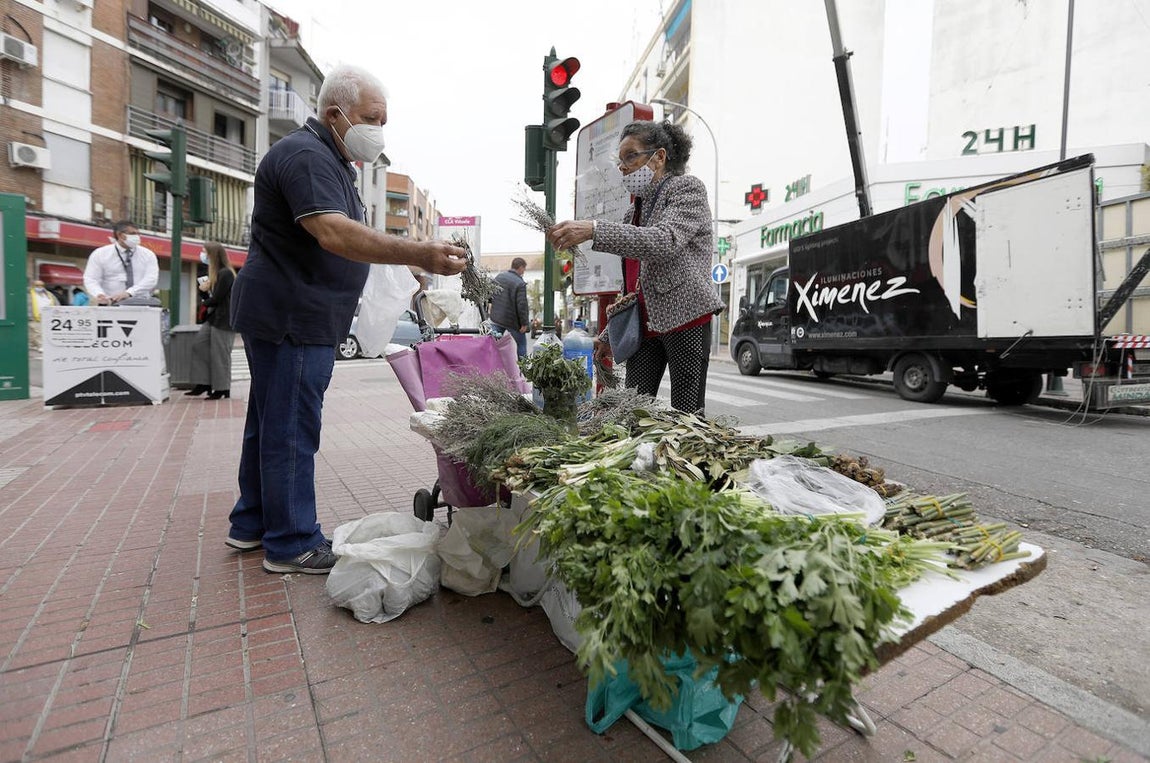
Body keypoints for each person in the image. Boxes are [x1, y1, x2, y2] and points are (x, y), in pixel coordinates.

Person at [227, 63, 468, 575]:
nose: (378, 130)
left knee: (270, 421)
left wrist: (402, 262)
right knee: (291, 426)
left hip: (292, 311)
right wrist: (420, 252)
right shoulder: (307, 155)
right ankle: (291, 542)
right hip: (294, 314)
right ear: (335, 114)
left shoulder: (331, 161)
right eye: (371, 118)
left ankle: (251, 524)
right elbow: (335, 233)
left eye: (384, 120)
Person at [548, 120, 724, 415]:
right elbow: (634, 285)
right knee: (632, 413)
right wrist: (607, 336)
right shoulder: (636, 209)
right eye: (621, 161)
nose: (623, 167)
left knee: (687, 415)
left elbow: (664, 240)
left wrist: (594, 229)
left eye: (631, 156)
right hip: (643, 328)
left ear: (659, 157)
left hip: (686, 319)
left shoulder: (686, 189)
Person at [186, 242, 236, 400]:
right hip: (214, 318)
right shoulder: (215, 273)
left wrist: (204, 299)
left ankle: (222, 388)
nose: (202, 254)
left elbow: (217, 299)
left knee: (220, 354)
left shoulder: (226, 273)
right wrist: (204, 293)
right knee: (199, 345)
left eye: (204, 251)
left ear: (213, 254)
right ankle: (203, 383)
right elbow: (211, 299)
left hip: (224, 319)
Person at [82, 220, 159, 305]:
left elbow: (151, 279)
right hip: (111, 304)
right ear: (120, 235)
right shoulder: (100, 254)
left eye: (138, 233)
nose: (137, 236)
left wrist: (129, 293)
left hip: (141, 304)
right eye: (132, 233)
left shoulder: (148, 255)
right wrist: (99, 294)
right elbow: (91, 279)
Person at [489, 257, 530, 356]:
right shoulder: (520, 283)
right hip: (512, 322)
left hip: (497, 319)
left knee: (491, 344)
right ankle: (523, 369)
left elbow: (490, 294)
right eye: (524, 269)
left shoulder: (499, 277)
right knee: (521, 345)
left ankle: (490, 367)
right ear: (520, 267)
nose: (523, 272)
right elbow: (522, 305)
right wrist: (524, 324)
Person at [27, 280, 59, 354]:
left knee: (44, 332)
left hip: (48, 317)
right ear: (33, 286)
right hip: (34, 316)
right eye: (37, 285)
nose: (39, 287)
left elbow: (56, 303)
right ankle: (40, 345)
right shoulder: (28, 294)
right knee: (37, 331)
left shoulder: (49, 294)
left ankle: (35, 344)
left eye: (41, 285)